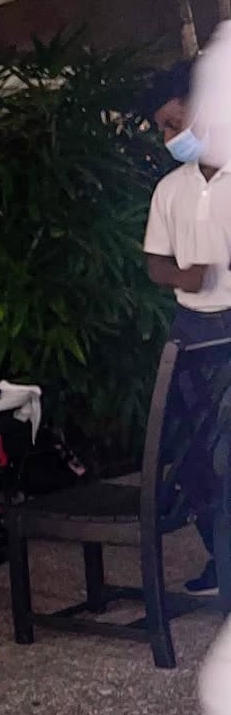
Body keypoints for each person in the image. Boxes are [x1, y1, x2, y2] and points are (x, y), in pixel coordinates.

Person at [143, 57, 231, 595]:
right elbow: (155, 261)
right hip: (190, 331)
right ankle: (221, 559)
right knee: (190, 453)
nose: (169, 137)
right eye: (162, 129)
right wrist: (184, 276)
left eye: (174, 123)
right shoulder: (169, 189)